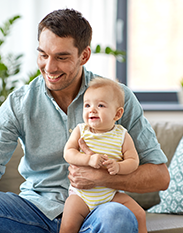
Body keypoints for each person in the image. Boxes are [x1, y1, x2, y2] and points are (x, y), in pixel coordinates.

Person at [0, 8, 170, 233]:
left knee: (117, 216)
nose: (49, 67)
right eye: (43, 55)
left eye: (61, 57)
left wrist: (101, 178)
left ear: (84, 55)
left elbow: (160, 177)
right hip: (34, 212)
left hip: (97, 211)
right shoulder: (20, 102)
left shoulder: (116, 98)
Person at [60, 77, 147, 233]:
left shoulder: (122, 135)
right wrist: (88, 159)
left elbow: (133, 161)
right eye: (87, 105)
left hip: (111, 195)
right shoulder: (81, 130)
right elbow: (68, 153)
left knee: (139, 214)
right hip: (82, 196)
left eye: (100, 105)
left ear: (117, 114)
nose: (92, 110)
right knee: (67, 225)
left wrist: (118, 166)